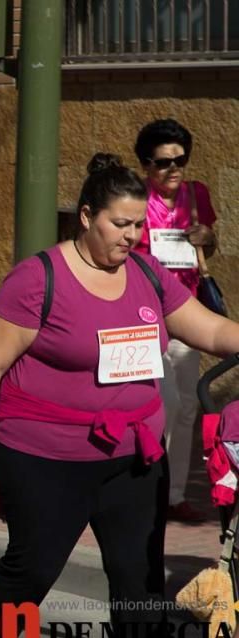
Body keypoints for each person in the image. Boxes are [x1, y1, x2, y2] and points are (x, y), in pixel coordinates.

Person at [0, 154, 239, 638]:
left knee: (137, 577)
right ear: (86, 215)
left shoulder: (145, 272)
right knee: (32, 571)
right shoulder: (37, 279)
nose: (132, 235)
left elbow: (206, 327)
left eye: (139, 224)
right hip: (46, 459)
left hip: (134, 459)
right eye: (120, 224)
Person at [133, 119, 219, 523]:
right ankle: (149, 487)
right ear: (146, 164)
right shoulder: (135, 198)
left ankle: (175, 495)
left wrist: (207, 238)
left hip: (186, 309)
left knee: (186, 406)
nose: (173, 169)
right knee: (161, 403)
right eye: (163, 162)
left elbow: (210, 244)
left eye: (180, 160)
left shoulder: (196, 195)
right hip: (146, 312)